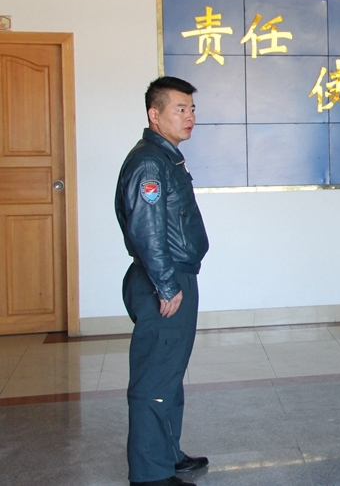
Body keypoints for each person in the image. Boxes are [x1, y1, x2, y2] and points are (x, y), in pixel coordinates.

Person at [115, 77, 210, 486]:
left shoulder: (165, 156)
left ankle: (168, 454)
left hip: (172, 276)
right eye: (179, 109)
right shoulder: (150, 163)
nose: (189, 116)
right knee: (155, 377)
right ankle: (150, 473)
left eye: (191, 108)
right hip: (162, 282)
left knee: (169, 373)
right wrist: (167, 285)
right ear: (155, 114)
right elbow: (146, 228)